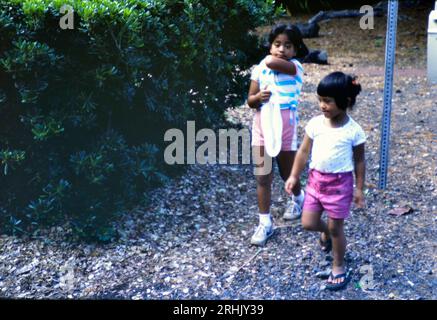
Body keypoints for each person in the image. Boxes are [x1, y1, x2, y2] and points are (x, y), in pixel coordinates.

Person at [285, 71, 366, 291]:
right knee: (308, 222)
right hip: (315, 182)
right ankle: (328, 233)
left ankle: (338, 266)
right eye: (320, 100)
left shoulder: (354, 131)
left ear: (345, 101)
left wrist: (359, 188)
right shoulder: (315, 124)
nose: (322, 105)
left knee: (336, 226)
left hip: (340, 185)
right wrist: (293, 175)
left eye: (328, 101)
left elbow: (359, 161)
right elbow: (303, 152)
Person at [247, 24, 308, 246]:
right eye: (277, 44)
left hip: (286, 126)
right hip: (262, 125)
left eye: (288, 46)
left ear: (296, 50)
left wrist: (269, 56)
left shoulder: (295, 67)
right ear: (271, 45)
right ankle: (265, 222)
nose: (281, 49)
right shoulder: (259, 69)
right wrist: (258, 97)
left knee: (286, 171)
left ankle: (299, 199)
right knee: (263, 175)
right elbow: (250, 100)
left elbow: (272, 61)